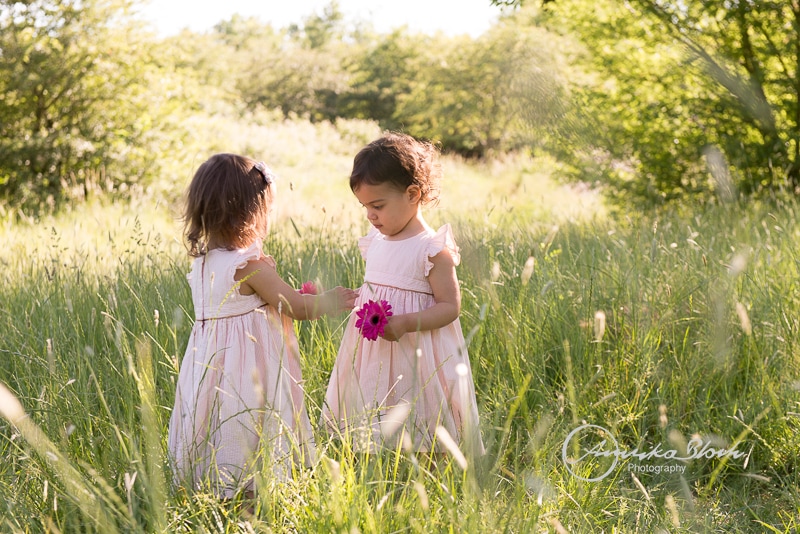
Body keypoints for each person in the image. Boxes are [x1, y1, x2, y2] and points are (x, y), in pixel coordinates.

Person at [168, 153, 357, 498]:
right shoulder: (249, 266)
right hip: (246, 372)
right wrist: (331, 300)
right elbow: (296, 307)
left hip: (208, 369)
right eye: (266, 210)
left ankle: (212, 490)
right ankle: (250, 499)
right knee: (249, 426)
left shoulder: (204, 263)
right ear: (248, 214)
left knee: (215, 424)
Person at [321, 133, 484, 457]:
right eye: (365, 206)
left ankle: (428, 480)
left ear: (413, 194)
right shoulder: (376, 241)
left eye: (378, 205)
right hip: (374, 354)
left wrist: (408, 322)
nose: (370, 215)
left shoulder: (431, 249)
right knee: (372, 412)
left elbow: (450, 307)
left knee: (423, 417)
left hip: (418, 353)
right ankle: (380, 476)